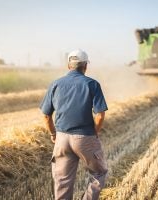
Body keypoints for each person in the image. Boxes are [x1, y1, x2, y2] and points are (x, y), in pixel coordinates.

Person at [40, 49, 108, 200]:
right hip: (84, 137)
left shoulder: (55, 84)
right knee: (100, 172)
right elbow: (100, 115)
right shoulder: (92, 84)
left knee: (62, 181)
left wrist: (53, 134)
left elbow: (45, 115)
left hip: (61, 139)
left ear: (69, 65)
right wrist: (94, 133)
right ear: (85, 66)